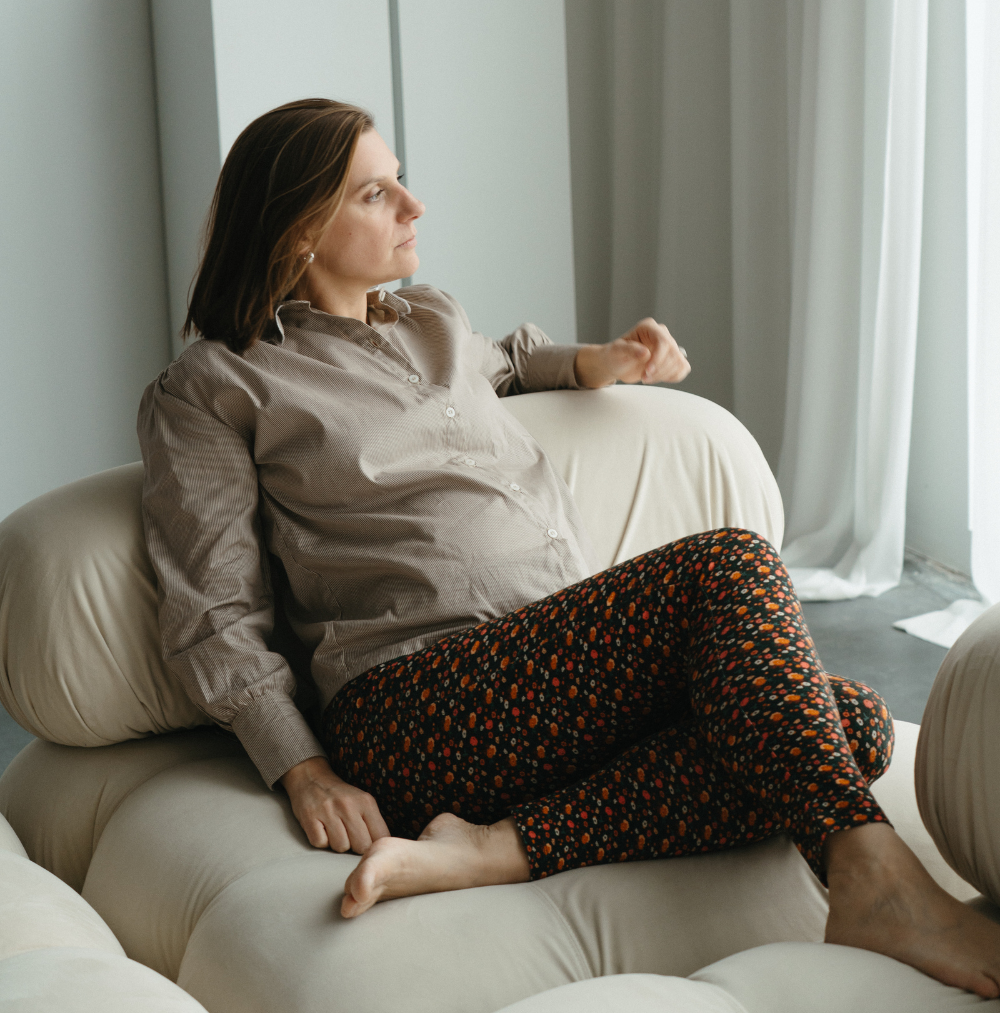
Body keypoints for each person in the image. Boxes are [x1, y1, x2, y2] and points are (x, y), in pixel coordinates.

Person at [139, 97, 1000, 999]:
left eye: (402, 180)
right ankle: (876, 879)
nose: (412, 206)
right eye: (374, 194)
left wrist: (596, 362)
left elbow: (502, 361)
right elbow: (214, 610)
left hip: (548, 673)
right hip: (415, 702)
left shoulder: (427, 321)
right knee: (728, 566)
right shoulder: (214, 385)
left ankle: (499, 847)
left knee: (846, 720)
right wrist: (303, 769)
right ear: (298, 231)